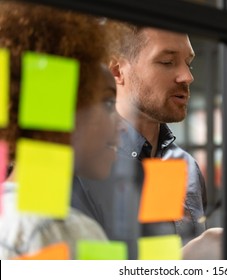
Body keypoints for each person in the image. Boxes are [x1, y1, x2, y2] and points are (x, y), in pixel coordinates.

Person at [71, 21, 207, 258]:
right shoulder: (83, 166)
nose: (187, 76)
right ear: (117, 70)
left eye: (189, 63)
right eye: (167, 62)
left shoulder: (187, 166)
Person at [0, 1, 120, 259]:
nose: (120, 123)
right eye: (108, 103)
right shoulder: (63, 231)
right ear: (62, 106)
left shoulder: (10, 215)